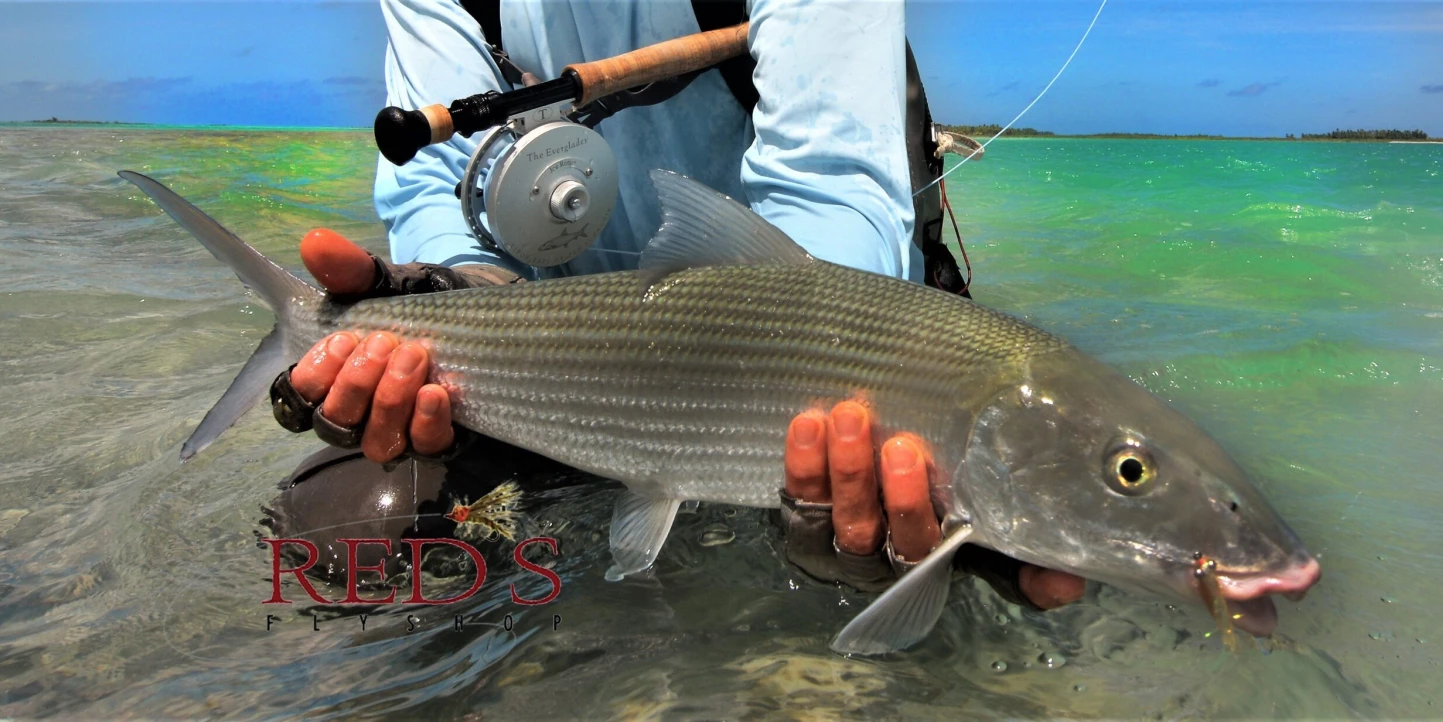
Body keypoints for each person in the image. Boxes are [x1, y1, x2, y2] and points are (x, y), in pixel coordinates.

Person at [265, 0, 1084, 611]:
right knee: (345, 532)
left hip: (825, 345)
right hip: (565, 361)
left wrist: (837, 421)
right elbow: (438, 191)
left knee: (990, 571)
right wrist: (454, 297)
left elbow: (834, 191)